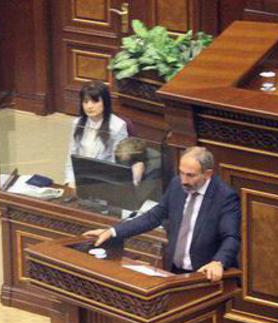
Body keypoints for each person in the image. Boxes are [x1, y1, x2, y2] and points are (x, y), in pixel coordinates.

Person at [84, 146, 241, 281]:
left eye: (190, 175)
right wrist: (113, 232)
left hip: (204, 276)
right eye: (181, 173)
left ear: (207, 174)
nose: (183, 180)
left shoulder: (224, 197)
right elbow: (153, 216)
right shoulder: (176, 185)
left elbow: (231, 237)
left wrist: (218, 261)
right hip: (174, 272)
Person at [64, 81, 128, 185]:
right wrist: (70, 180)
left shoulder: (118, 126)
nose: (89, 106)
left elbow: (117, 163)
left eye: (95, 102)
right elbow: (71, 156)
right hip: (80, 176)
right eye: (85, 102)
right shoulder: (77, 123)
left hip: (104, 180)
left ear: (105, 102)